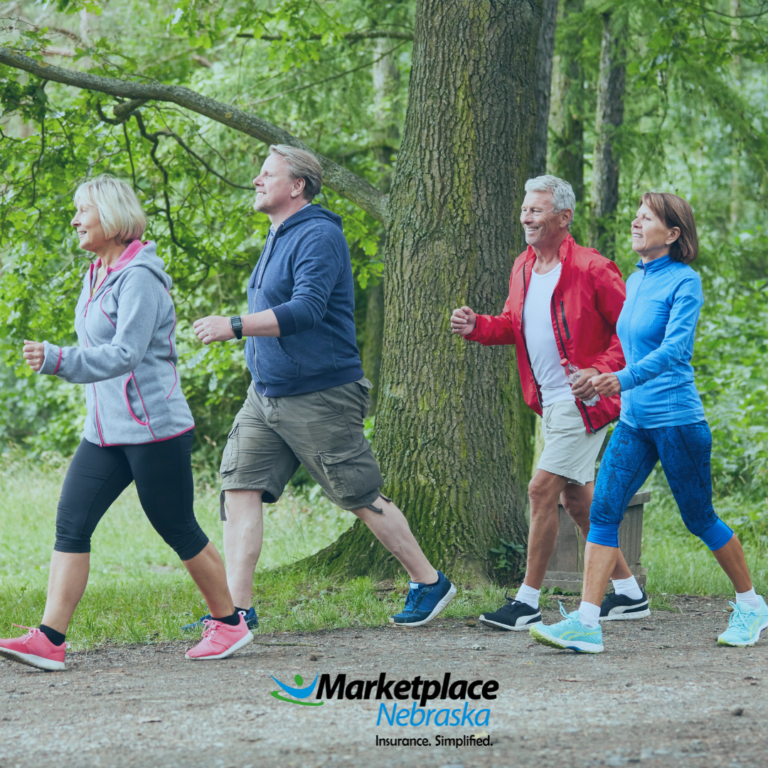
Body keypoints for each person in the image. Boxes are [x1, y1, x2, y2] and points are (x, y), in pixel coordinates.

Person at [190, 145, 456, 628]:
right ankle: (235, 614)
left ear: (297, 186)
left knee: (358, 494)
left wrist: (235, 324)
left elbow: (308, 309)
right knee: (238, 488)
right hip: (266, 393)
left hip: (320, 394)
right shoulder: (278, 234)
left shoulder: (318, 235)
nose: (256, 180)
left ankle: (429, 581)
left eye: (266, 173)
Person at [0, 175, 251, 671]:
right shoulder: (97, 271)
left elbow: (126, 353)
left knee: (176, 526)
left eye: (83, 212)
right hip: (105, 431)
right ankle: (50, 639)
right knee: (71, 522)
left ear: (111, 218)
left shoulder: (140, 277)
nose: (74, 220)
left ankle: (229, 623)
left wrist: (58, 359)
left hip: (154, 429)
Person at [531, 192, 768, 654]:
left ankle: (751, 603)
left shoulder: (685, 282)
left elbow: (676, 351)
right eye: (636, 216)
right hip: (635, 422)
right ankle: (586, 622)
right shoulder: (636, 281)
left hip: (678, 420)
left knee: (698, 517)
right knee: (603, 512)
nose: (636, 223)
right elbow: (625, 346)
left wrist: (619, 379)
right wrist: (599, 375)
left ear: (673, 234)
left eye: (647, 218)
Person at [451, 175, 646, 631]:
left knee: (541, 490)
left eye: (536, 210)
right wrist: (477, 325)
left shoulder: (594, 268)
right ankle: (630, 594)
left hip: (586, 404)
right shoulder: (522, 266)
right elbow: (512, 325)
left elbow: (632, 333)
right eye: (525, 209)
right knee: (578, 503)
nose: (526, 217)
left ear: (564, 217)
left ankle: (527, 600)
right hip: (550, 405)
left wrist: (600, 372)